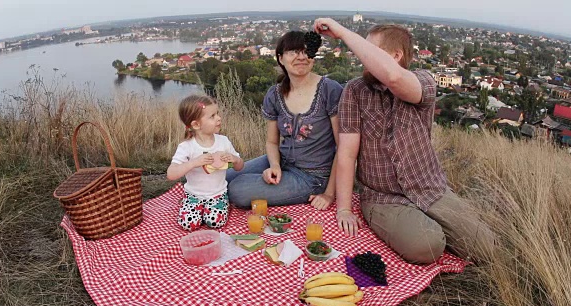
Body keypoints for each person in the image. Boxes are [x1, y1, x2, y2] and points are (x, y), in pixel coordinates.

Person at [313, 18, 496, 264]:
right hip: (382, 197)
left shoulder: (423, 82)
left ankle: (433, 224)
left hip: (430, 188)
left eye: (370, 51)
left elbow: (393, 78)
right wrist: (344, 208)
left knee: (487, 248)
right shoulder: (355, 91)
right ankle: (421, 228)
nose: (362, 58)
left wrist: (344, 33)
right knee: (427, 245)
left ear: (396, 55)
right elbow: (347, 154)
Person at [226, 31, 343, 210]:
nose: (301, 57)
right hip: (281, 161)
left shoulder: (330, 90)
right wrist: (274, 166)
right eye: (293, 52)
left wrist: (329, 193)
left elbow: (342, 147)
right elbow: (272, 142)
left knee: (238, 190)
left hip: (312, 177)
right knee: (223, 177)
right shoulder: (275, 94)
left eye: (306, 52)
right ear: (280, 58)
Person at [167, 94, 244, 231]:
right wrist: (193, 163)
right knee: (188, 224)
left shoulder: (223, 141)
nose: (219, 118)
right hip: (193, 195)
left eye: (217, 114)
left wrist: (235, 159)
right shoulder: (187, 147)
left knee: (215, 222)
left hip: (217, 194)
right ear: (196, 124)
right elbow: (171, 174)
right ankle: (189, 204)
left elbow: (239, 167)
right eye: (212, 116)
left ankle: (219, 205)